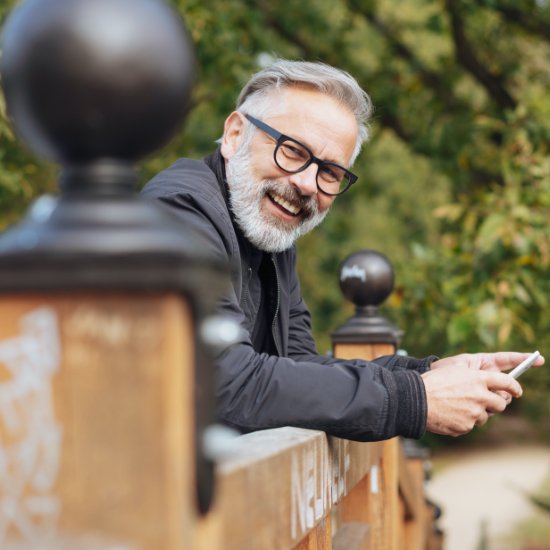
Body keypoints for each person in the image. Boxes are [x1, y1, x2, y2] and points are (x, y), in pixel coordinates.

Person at [142, 59, 543, 442]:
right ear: (234, 135)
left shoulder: (268, 233)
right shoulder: (179, 213)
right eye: (293, 151)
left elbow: (297, 367)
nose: (306, 184)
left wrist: (425, 373)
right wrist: (414, 400)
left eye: (330, 172)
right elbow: (222, 382)